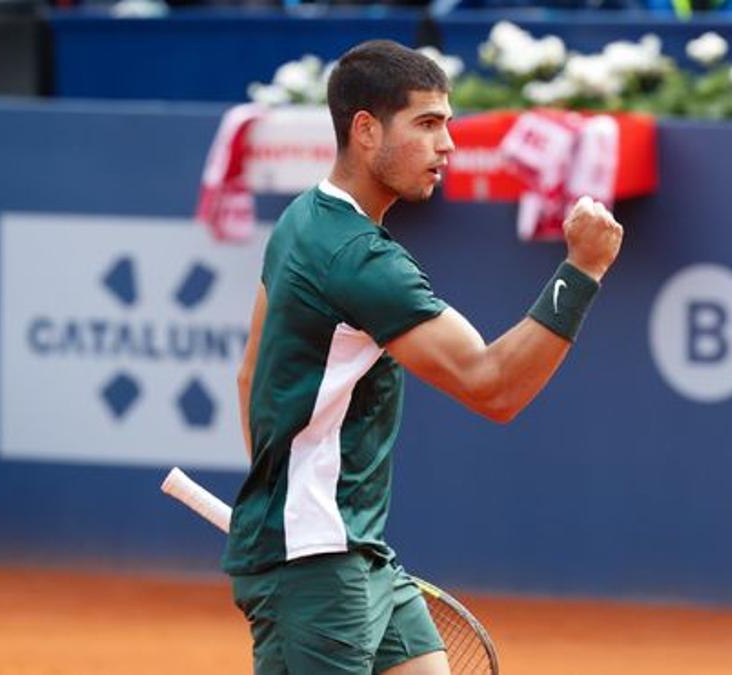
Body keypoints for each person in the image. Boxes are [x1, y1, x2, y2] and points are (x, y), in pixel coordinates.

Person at [224, 39, 623, 675]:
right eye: (427, 124)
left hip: (356, 551)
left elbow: (249, 375)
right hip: (319, 569)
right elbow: (494, 388)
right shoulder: (358, 260)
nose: (448, 146)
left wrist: (282, 504)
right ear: (365, 130)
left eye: (448, 124)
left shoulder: (304, 219)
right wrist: (582, 271)